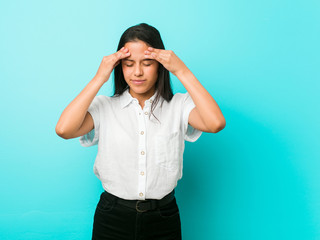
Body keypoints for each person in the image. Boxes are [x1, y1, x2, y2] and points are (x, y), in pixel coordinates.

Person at [55, 23, 226, 240]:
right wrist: (100, 77)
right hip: (112, 218)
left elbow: (216, 123)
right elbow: (64, 129)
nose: (137, 72)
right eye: (128, 64)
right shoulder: (104, 107)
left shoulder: (179, 105)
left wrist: (181, 70)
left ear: (160, 65)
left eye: (147, 63)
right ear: (120, 67)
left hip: (163, 218)